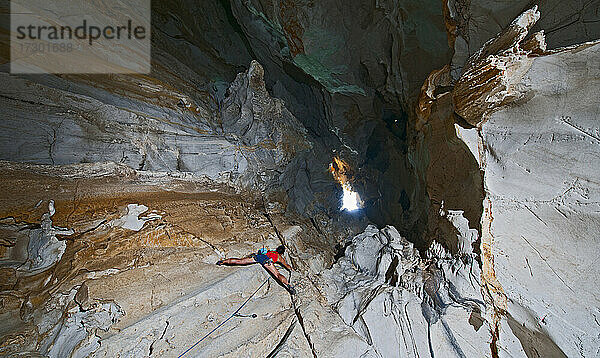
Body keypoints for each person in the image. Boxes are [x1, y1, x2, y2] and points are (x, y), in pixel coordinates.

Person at [217, 245, 296, 294]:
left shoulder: (270, 251)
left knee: (240, 261)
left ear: (277, 249)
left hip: (259, 257)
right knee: (277, 274)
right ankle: (288, 285)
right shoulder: (279, 257)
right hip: (267, 261)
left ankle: (223, 261)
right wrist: (291, 269)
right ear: (281, 253)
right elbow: (286, 266)